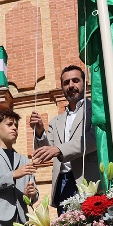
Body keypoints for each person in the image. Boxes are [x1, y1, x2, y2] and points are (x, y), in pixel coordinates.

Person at [30, 65, 98, 215]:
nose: (71, 85)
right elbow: (47, 151)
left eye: (75, 80)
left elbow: (94, 138)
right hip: (63, 183)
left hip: (88, 181)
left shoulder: (96, 110)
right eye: (66, 83)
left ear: (85, 83)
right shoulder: (56, 121)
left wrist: (59, 149)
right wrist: (40, 131)